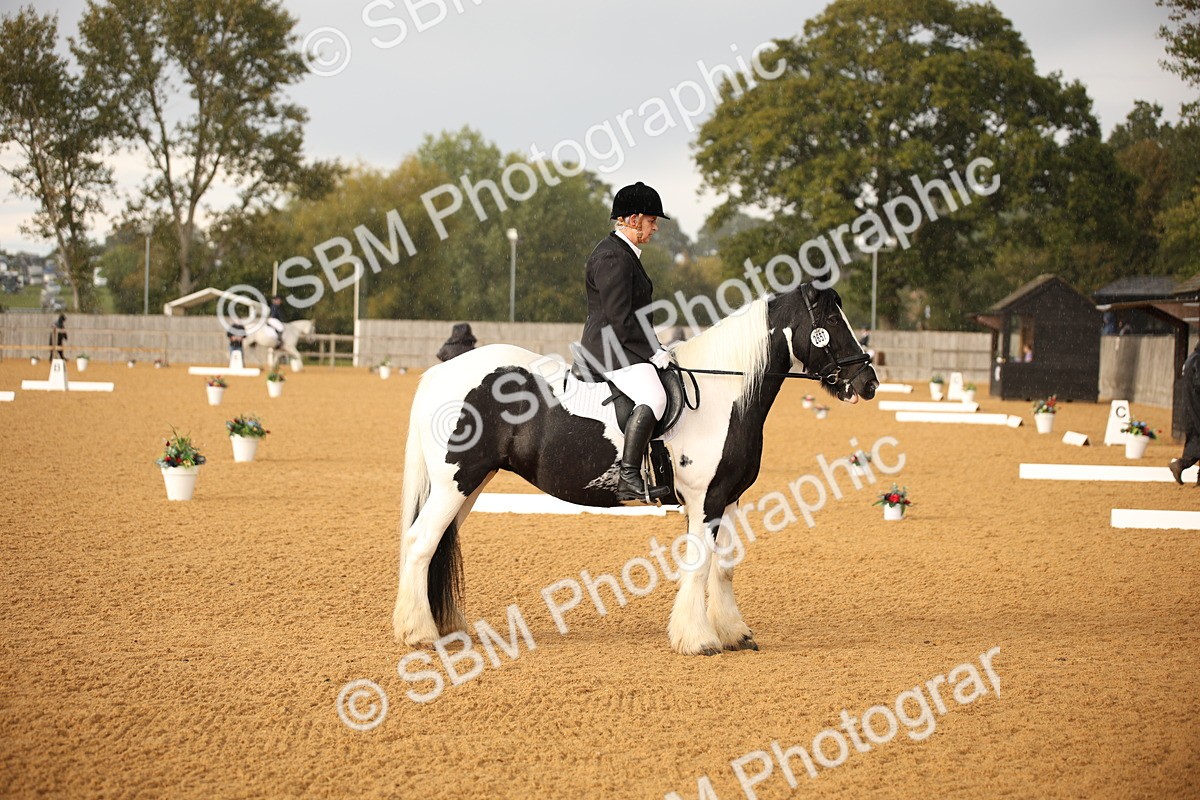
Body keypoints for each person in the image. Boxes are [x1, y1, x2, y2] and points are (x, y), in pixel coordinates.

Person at [578, 181, 674, 502]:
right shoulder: (613, 257)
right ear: (633, 220)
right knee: (655, 398)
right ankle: (629, 475)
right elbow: (621, 319)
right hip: (609, 350)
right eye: (651, 221)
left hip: (622, 346)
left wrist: (657, 348)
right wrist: (653, 350)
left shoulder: (625, 254)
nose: (655, 228)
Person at [1169, 341, 1200, 485]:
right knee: (1197, 441)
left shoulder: (1191, 359)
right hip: (1196, 407)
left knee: (1196, 438)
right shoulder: (1197, 360)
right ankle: (1180, 464)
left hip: (1190, 407)